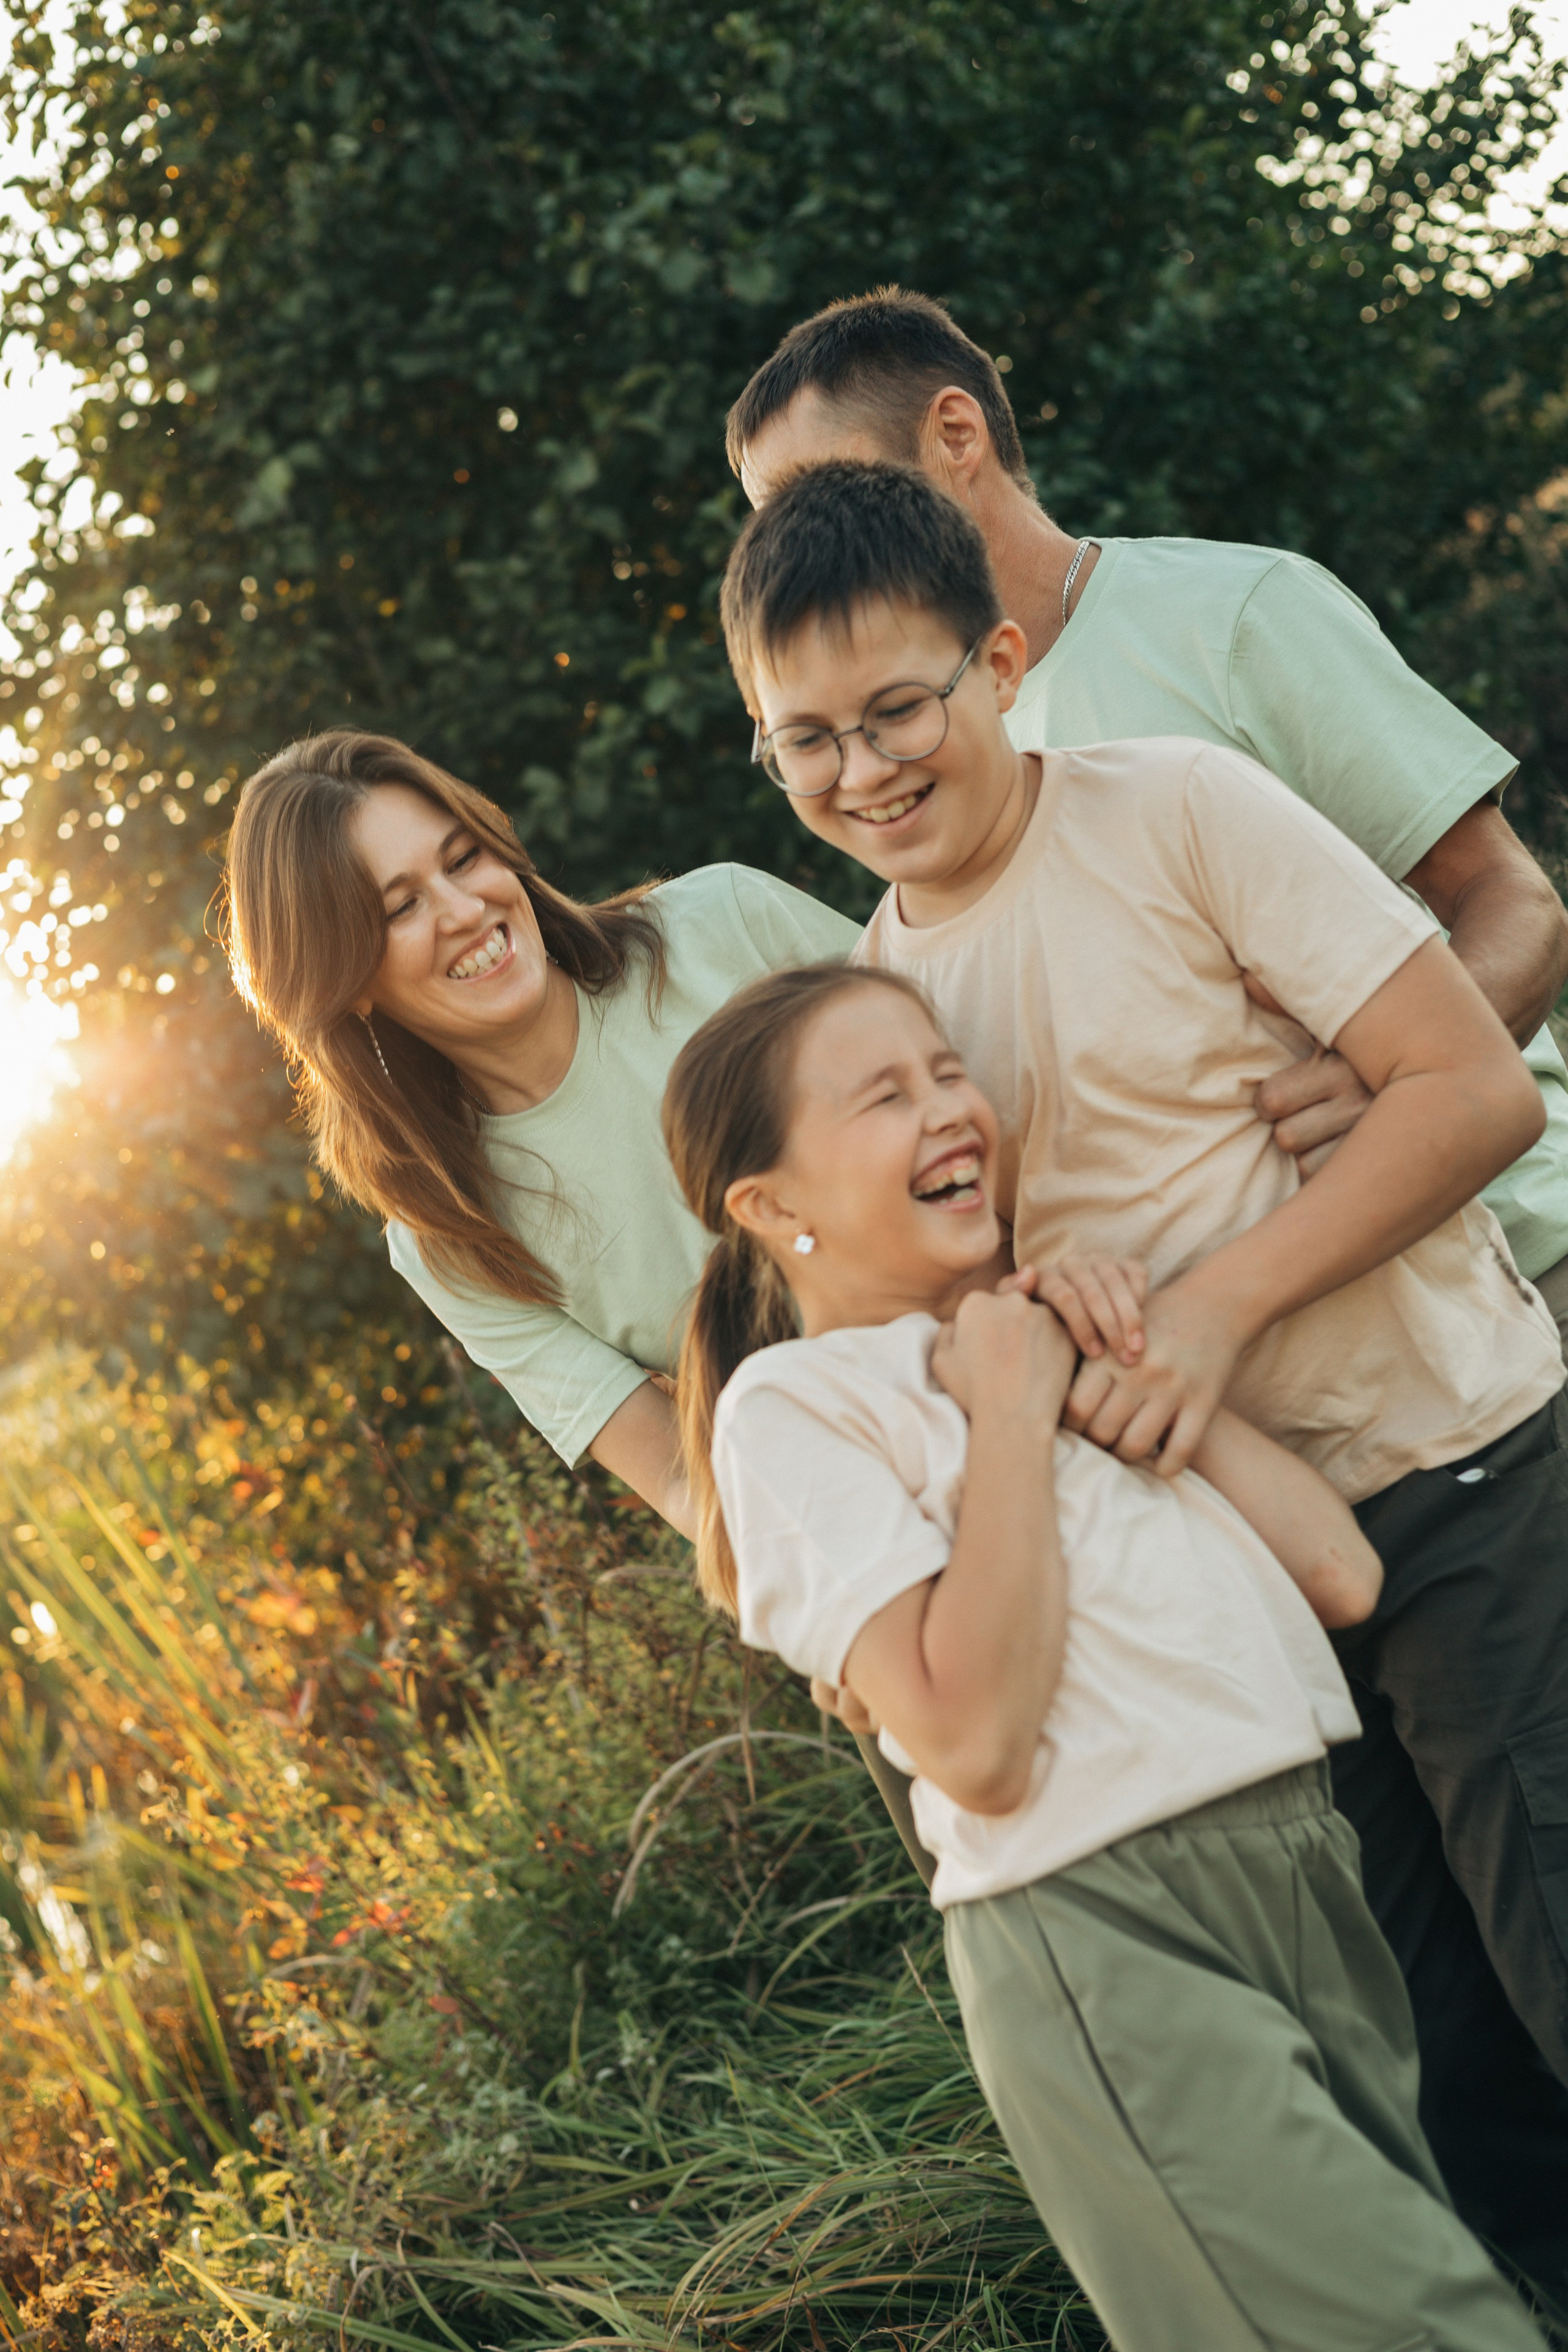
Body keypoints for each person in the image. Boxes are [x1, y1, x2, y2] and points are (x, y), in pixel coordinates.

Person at [717, 456, 1568, 2304]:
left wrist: (1212, 1316)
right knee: (1452, 2105)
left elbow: (1478, 1091)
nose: (861, 773)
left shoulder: (1177, 808)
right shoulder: (883, 1003)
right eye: (804, 744)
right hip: (1267, 1601)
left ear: (1001, 664)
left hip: (1458, 1473)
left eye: (898, 711)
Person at [662, 956, 1547, 2352]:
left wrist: (1102, 1358)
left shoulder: (1046, 1350)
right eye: (883, 1097)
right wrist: (1008, 1417)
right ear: (773, 1207)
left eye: (948, 1072)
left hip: (1306, 1876)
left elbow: (1337, 1569)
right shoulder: (797, 1409)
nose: (949, 1108)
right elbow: (972, 1744)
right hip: (1109, 1923)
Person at [726, 285, 1568, 1327]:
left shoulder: (1235, 618)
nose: (800, 540)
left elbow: (1515, 902)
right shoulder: (915, 800)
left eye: (823, 487)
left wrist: (1392, 1085)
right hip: (1243, 1375)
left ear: (955, 434)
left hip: (1509, 1271)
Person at [219, 728, 857, 1528]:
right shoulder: (448, 1237)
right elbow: (684, 1483)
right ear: (346, 983)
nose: (464, 910)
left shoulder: (722, 922)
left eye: (462, 860)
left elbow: (999, 1087)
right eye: (402, 907)